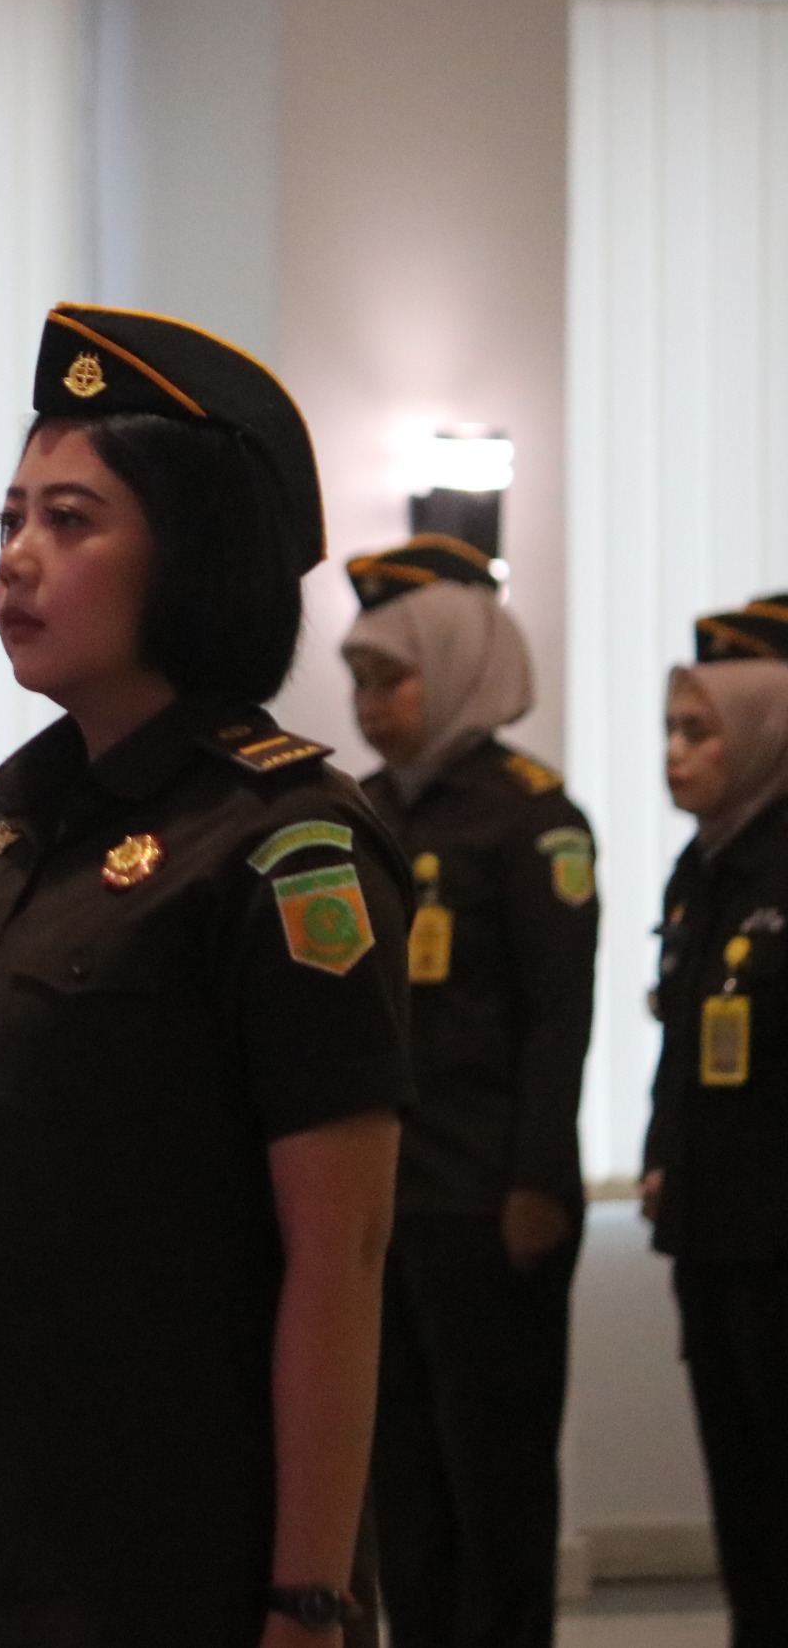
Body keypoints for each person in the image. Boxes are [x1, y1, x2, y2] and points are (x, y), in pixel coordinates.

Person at [0, 308, 408, 1648]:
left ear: (195, 556)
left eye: (71, 521)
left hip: (179, 1561)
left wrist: (310, 1595)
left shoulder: (287, 843)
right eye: (10, 519)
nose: (16, 557)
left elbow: (338, 1253)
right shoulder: (9, 830)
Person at [338, 536, 597, 1648]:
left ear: (452, 668)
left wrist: (537, 1182)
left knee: (495, 1481)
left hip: (490, 1202)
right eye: (358, 678)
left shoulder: (531, 818)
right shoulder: (358, 813)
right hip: (382, 1198)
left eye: (389, 677)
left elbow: (558, 1023)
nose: (369, 703)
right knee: (399, 1478)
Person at [644, 599, 788, 1648]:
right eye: (669, 729)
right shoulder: (700, 869)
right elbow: (680, 1048)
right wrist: (662, 1159)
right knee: (743, 1499)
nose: (676, 753)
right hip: (712, 1229)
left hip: (781, 1237)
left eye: (700, 731)